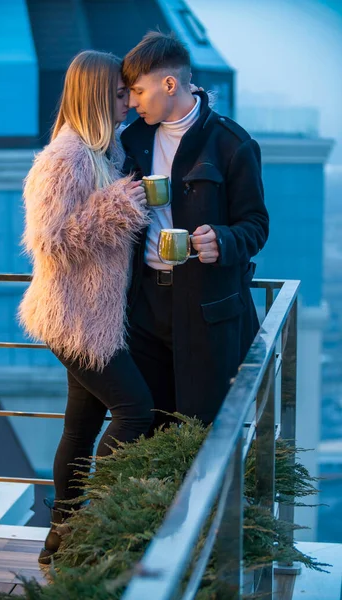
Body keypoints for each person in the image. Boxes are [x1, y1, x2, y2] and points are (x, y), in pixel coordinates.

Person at [18, 50, 154, 564]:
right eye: (120, 93)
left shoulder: (106, 151)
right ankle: (101, 527)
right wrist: (119, 206)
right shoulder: (64, 158)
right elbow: (47, 241)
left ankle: (63, 537)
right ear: (97, 94)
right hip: (73, 319)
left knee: (80, 426)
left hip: (93, 319)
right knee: (135, 409)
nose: (128, 101)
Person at [120, 31, 270, 430]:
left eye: (138, 90)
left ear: (170, 84)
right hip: (143, 305)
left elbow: (256, 226)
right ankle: (154, 496)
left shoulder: (231, 143)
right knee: (146, 425)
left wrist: (221, 240)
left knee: (200, 429)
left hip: (207, 309)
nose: (132, 102)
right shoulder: (131, 141)